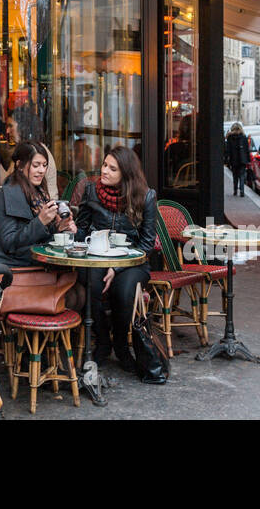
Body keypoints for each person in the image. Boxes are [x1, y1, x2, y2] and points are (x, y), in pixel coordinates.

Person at [74, 145, 156, 371]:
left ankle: (121, 343)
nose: (105, 171)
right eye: (104, 165)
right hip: (96, 256)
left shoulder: (146, 197)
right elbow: (81, 232)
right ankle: (102, 341)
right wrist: (71, 230)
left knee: (123, 290)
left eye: (112, 168)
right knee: (89, 282)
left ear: (126, 174)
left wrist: (117, 268)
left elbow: (146, 245)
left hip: (132, 261)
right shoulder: (91, 191)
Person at [0, 141, 76, 267]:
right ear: (19, 165)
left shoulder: (40, 193)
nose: (41, 170)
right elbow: (9, 243)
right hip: (16, 267)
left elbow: (39, 238)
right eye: (36, 165)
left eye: (44, 165)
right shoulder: (5, 195)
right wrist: (40, 221)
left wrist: (59, 228)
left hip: (38, 262)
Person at [224, 123, 253, 198]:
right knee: (242, 176)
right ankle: (242, 191)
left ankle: (235, 190)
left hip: (233, 160)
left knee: (235, 176)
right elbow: (247, 150)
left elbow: (228, 150)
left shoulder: (230, 137)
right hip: (242, 160)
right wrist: (248, 160)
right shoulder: (243, 137)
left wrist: (227, 159)